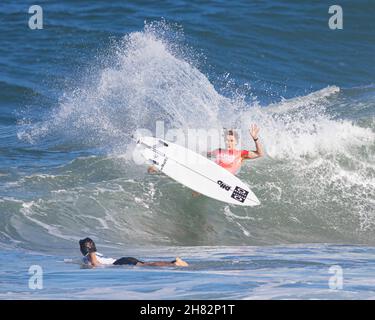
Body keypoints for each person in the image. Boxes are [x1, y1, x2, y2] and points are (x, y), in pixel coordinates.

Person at [79, 237, 188, 267]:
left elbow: (95, 263)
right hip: (122, 260)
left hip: (119, 263)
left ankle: (173, 263)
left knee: (146, 265)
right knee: (146, 264)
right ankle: (173, 262)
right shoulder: (96, 254)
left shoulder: (89, 256)